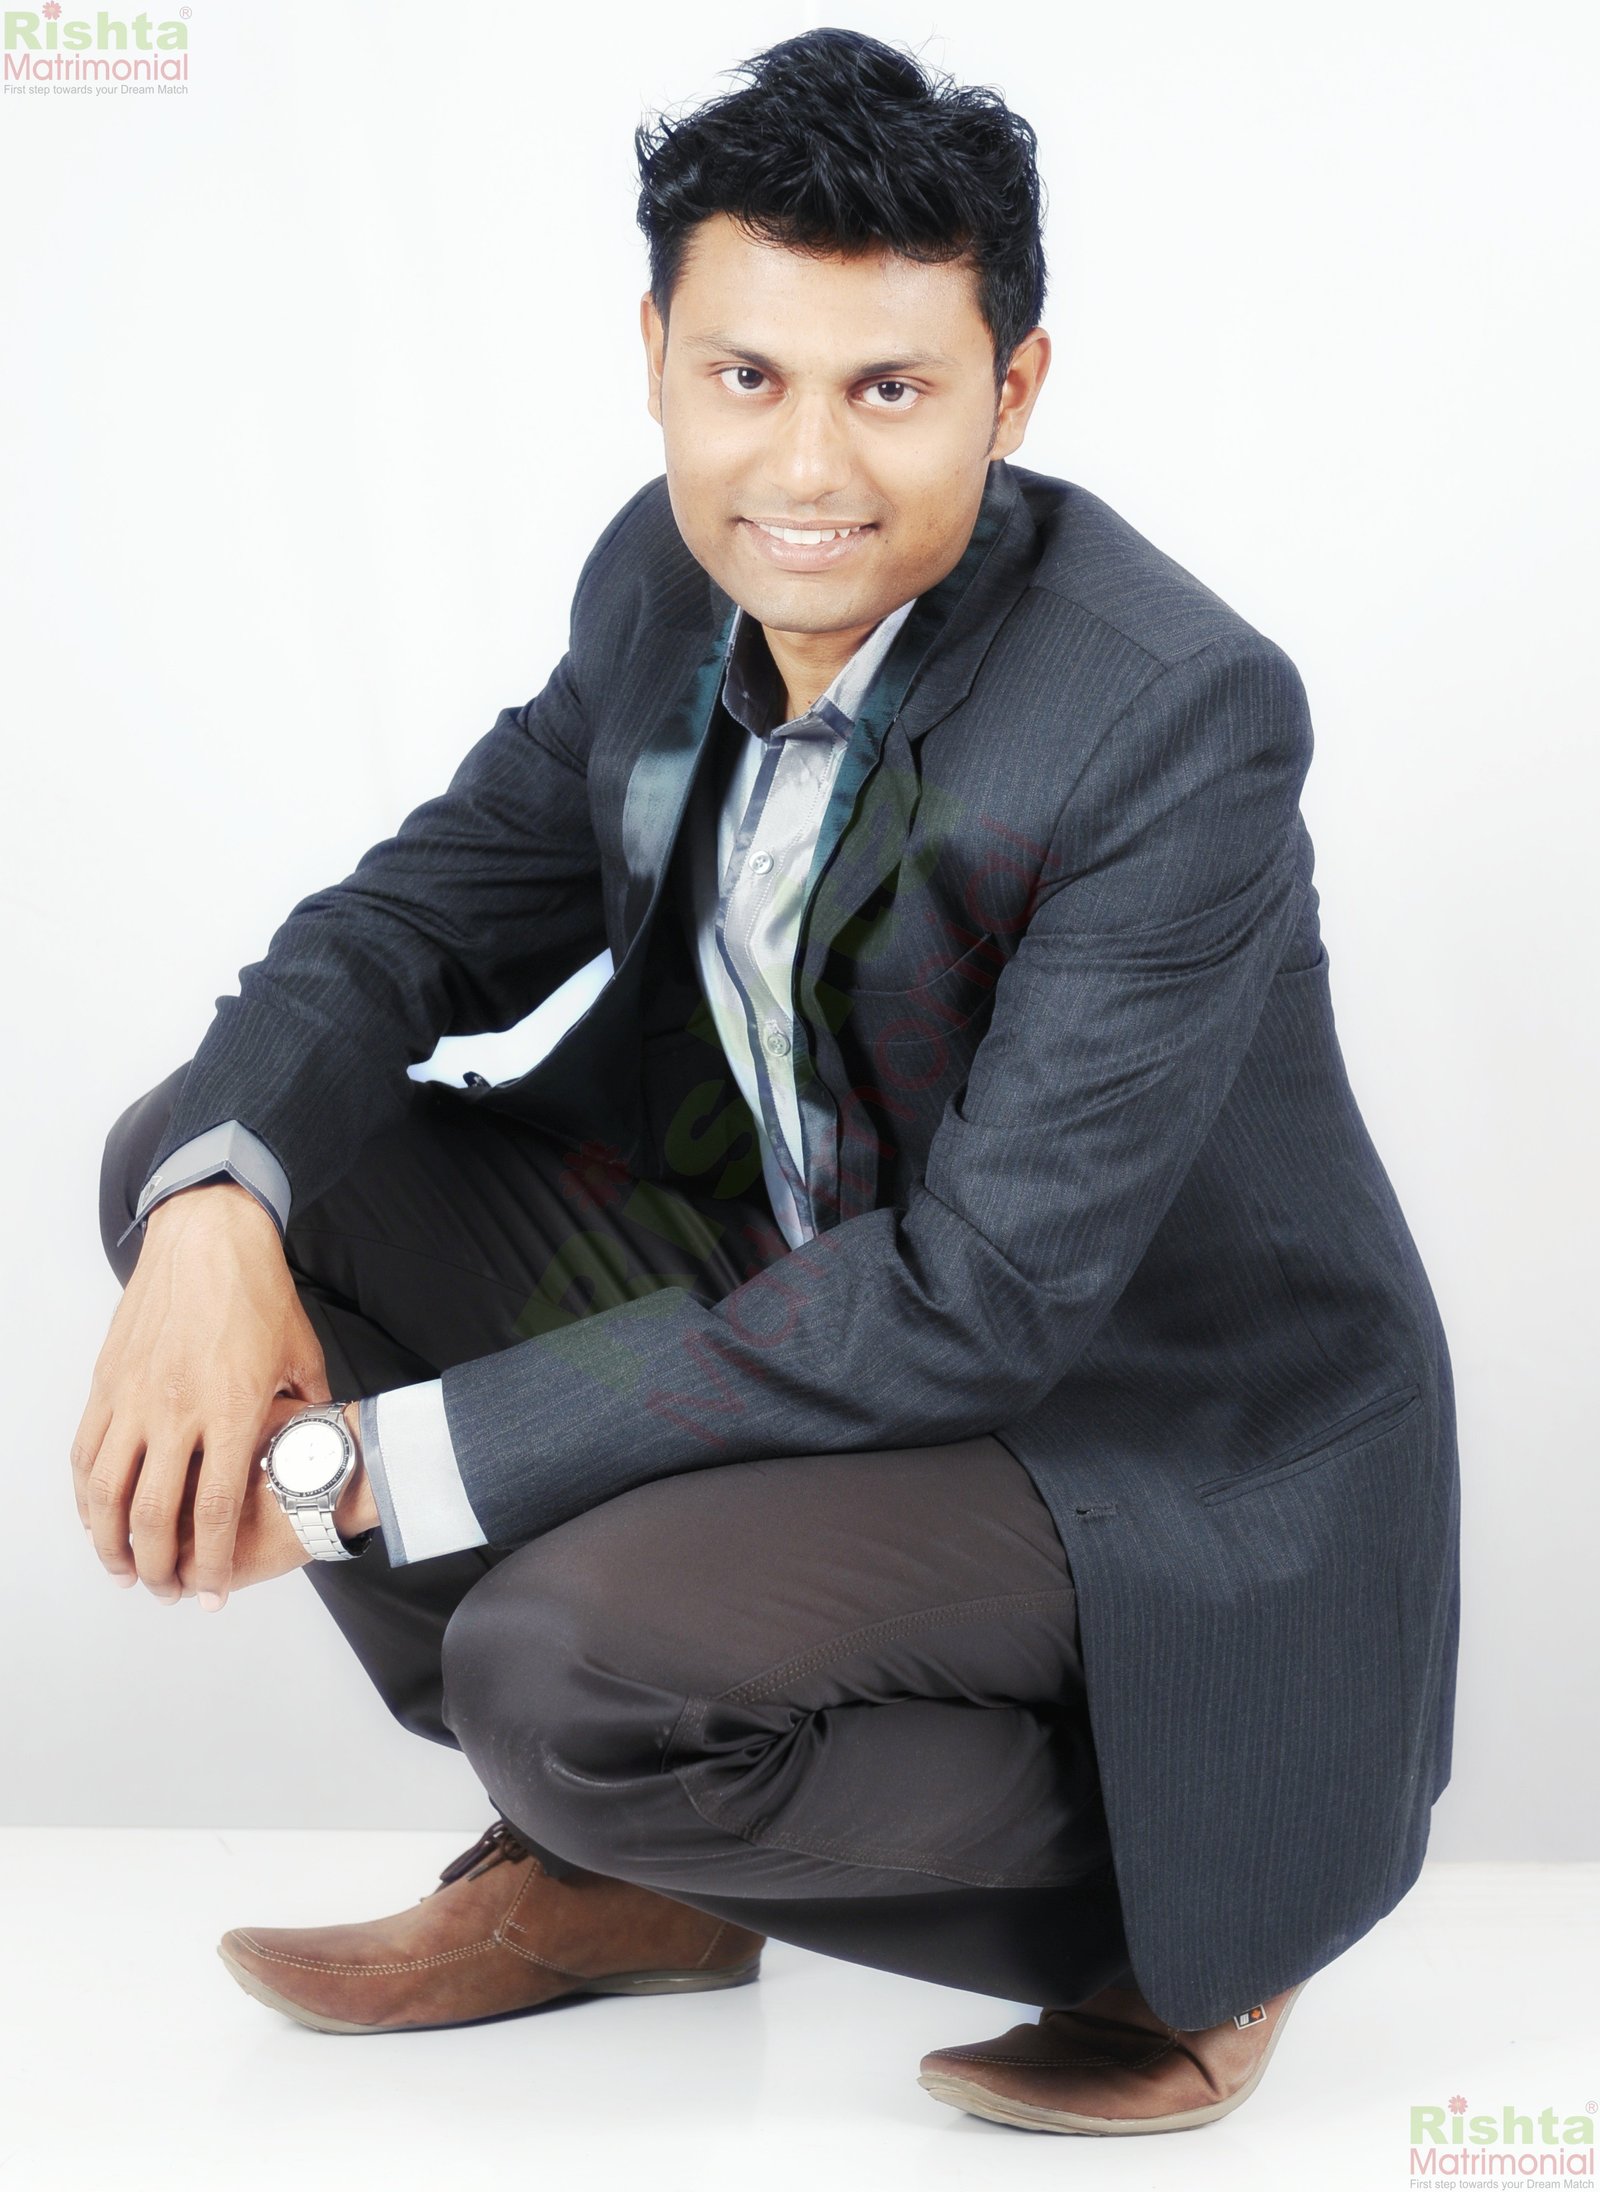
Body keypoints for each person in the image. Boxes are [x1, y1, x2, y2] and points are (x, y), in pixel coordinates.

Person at [80, 26, 1459, 2137]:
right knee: (226, 1157)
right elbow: (401, 930)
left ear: (1013, 389)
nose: (805, 468)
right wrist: (208, 1204)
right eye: (746, 376)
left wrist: (359, 1477)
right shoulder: (661, 584)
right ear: (653, 356)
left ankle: (1165, 1906)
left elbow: (984, 1301)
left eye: (889, 389)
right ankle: (632, 1874)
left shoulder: (1171, 717)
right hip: (790, 1273)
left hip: (1117, 1420)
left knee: (563, 1672)